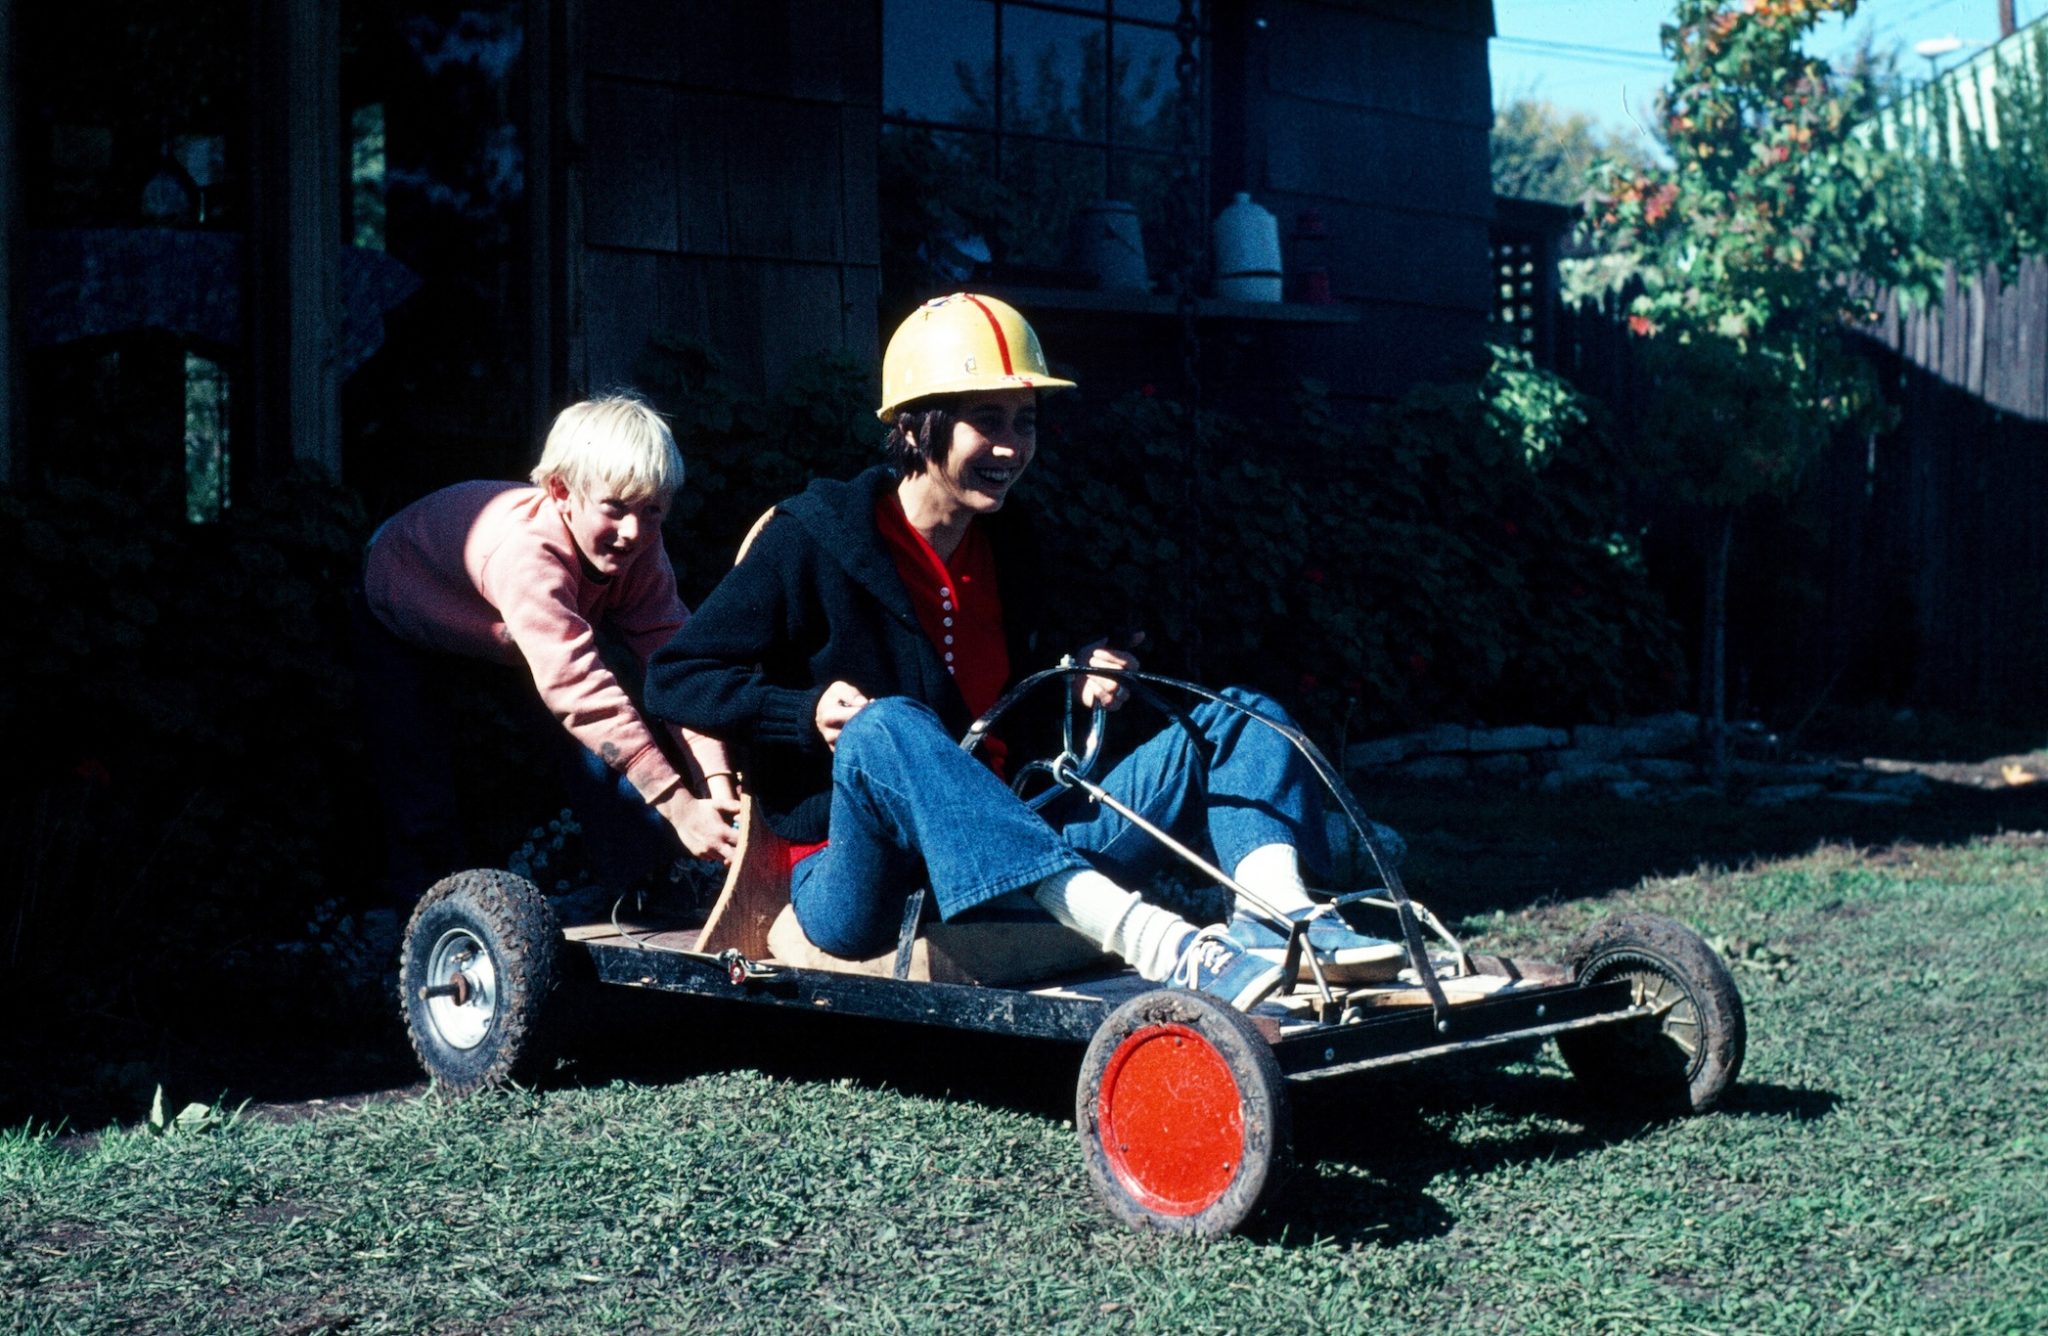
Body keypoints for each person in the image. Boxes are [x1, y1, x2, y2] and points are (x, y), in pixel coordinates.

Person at [645, 295, 1395, 1010]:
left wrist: (1083, 677)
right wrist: (805, 713)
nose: (1012, 447)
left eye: (1025, 421)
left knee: (1242, 717)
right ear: (916, 429)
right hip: (859, 877)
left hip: (1023, 841)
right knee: (885, 727)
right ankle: (1159, 942)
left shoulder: (1015, 543)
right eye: (986, 422)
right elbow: (677, 677)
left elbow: (1030, 690)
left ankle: (1286, 921)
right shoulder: (812, 539)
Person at [359, 394, 739, 905]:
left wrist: (715, 780)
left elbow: (678, 663)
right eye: (616, 508)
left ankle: (649, 891)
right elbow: (580, 691)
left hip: (513, 627)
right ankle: (430, 920)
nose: (634, 533)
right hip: (406, 603)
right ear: (562, 492)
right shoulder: (527, 553)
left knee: (602, 735)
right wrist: (677, 804)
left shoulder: (640, 546)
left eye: (652, 511)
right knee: (420, 788)